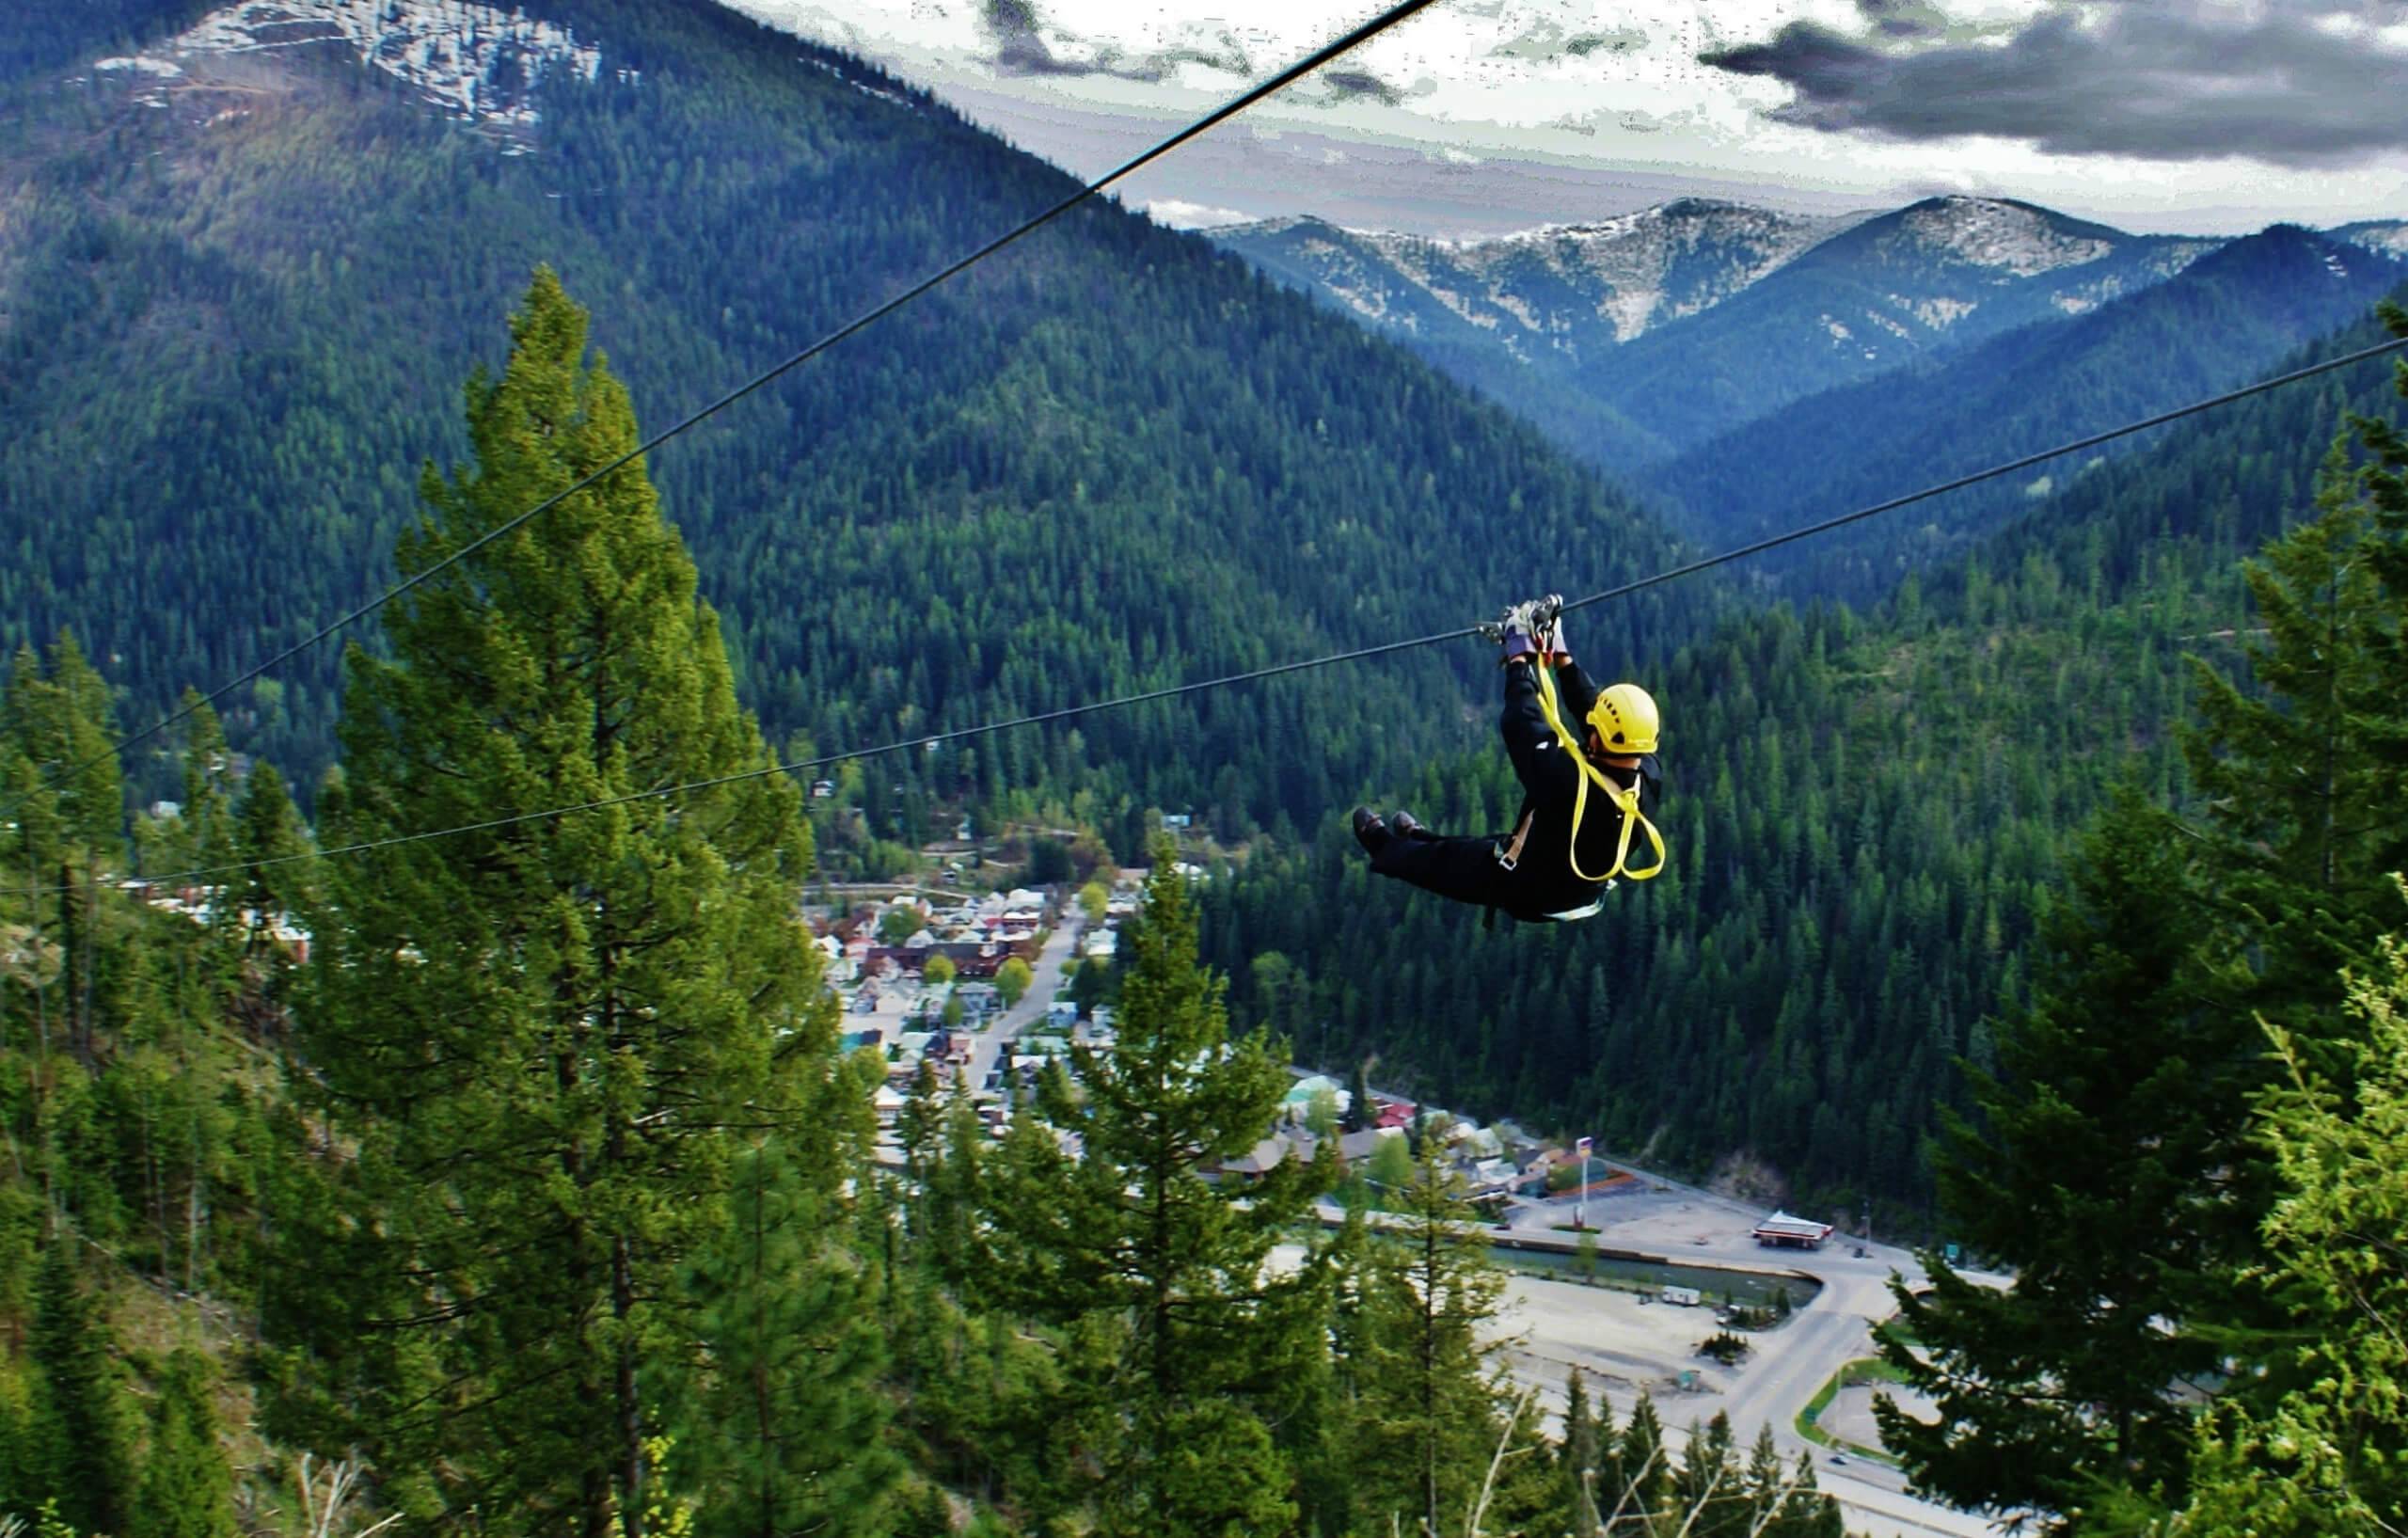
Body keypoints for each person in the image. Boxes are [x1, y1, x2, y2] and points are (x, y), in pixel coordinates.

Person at [1353, 597, 1663, 924]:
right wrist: (1562, 659)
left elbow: (1522, 722)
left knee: (1445, 865)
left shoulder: (1567, 783)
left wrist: (1518, 660)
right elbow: (1595, 714)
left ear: (1599, 737)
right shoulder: (1649, 775)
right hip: (1574, 883)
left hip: (1531, 890)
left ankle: (1383, 847)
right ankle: (1418, 837)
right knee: (1478, 846)